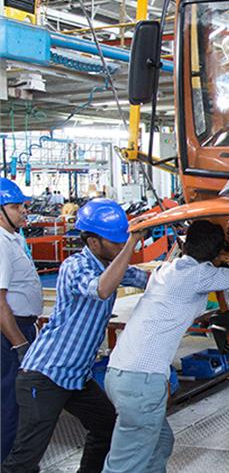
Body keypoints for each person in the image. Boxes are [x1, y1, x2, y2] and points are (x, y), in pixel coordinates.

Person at [101, 219, 229, 473]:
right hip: (141, 381)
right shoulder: (198, 275)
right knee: (126, 464)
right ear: (217, 253)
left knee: (160, 443)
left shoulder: (166, 270)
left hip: (120, 374)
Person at [2, 198, 149, 473]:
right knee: (25, 459)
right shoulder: (75, 265)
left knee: (106, 427)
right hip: (46, 375)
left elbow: (149, 279)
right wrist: (130, 245)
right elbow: (101, 289)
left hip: (77, 377)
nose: (121, 247)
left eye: (123, 241)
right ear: (93, 243)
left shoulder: (112, 267)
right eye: (116, 242)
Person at [0, 179, 42, 461]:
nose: (23, 211)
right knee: (10, 403)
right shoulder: (1, 244)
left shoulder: (13, 238)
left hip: (21, 327)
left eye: (23, 206)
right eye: (15, 207)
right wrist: (19, 344)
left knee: (18, 402)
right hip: (10, 333)